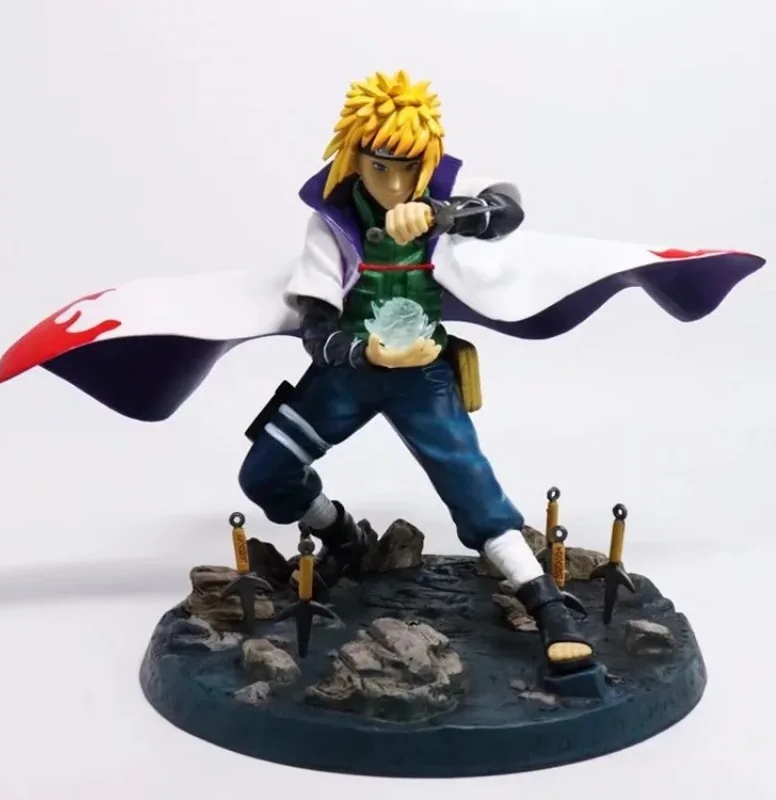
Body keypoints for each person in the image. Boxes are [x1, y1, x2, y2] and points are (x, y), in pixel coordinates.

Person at [239, 70, 594, 672]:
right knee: (265, 473)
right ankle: (341, 535)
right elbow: (316, 329)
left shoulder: (439, 197)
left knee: (473, 489)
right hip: (351, 373)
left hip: (424, 378)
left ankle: (546, 603)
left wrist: (443, 213)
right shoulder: (331, 223)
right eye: (381, 167)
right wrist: (363, 354)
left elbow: (506, 210)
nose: (396, 183)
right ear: (356, 160)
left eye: (409, 168)